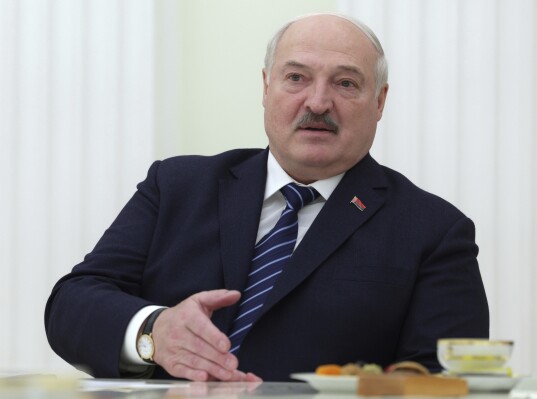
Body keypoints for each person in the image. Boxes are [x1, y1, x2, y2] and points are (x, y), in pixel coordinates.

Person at [45, 13, 489, 382]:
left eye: (346, 84)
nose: (318, 101)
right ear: (265, 88)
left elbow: (445, 381)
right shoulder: (177, 185)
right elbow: (72, 304)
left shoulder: (433, 230)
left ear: (379, 102)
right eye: (296, 78)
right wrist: (154, 331)